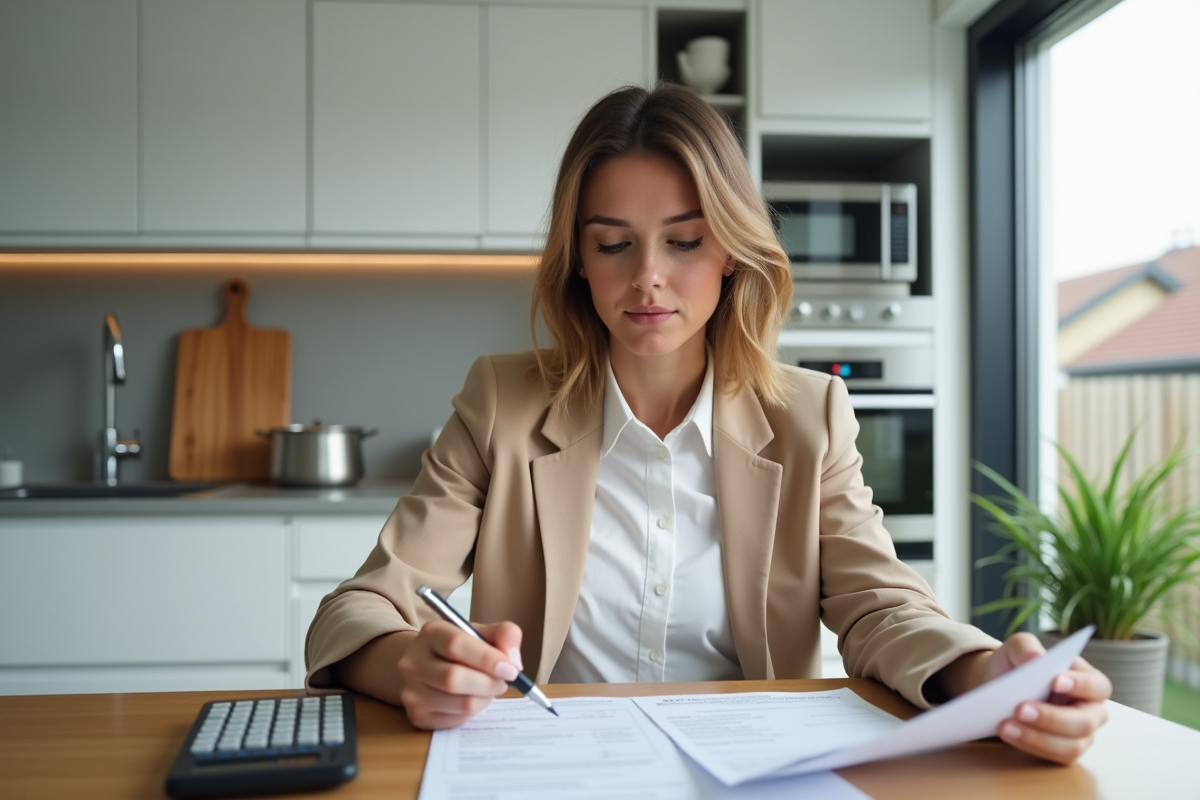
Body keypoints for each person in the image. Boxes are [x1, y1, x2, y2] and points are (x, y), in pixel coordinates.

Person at [305, 84, 1110, 763]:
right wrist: (408, 660)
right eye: (613, 245)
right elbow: (360, 606)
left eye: (685, 241)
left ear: (731, 252)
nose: (647, 278)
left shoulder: (808, 416)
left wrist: (984, 676)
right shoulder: (502, 403)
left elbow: (880, 609)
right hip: (555, 766)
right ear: (578, 260)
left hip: (750, 771)